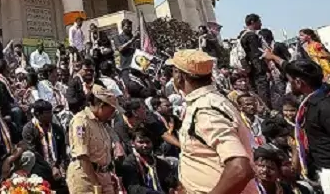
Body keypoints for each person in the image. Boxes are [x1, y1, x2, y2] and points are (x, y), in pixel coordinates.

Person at [169, 49, 258, 194]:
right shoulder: (205, 102)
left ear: (180, 76)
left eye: (173, 71)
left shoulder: (206, 110)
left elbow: (239, 168)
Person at [284, 59, 330, 192]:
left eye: (290, 81)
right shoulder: (313, 100)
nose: (289, 85)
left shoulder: (324, 106)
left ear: (299, 82)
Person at [66, 86, 118, 194]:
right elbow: (82, 156)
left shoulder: (101, 123)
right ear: (101, 105)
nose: (112, 113)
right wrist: (96, 184)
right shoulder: (81, 121)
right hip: (85, 178)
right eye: (111, 110)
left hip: (103, 176)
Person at [116, 125, 177, 194]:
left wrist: (173, 186)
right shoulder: (129, 163)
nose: (145, 145)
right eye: (141, 142)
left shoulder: (159, 163)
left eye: (147, 142)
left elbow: (169, 180)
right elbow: (133, 188)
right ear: (132, 143)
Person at [21, 100, 67, 191]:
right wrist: (51, 167)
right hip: (39, 169)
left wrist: (61, 166)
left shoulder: (56, 128)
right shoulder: (29, 129)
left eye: (51, 112)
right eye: (47, 113)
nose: (51, 115)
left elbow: (62, 149)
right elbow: (34, 152)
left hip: (57, 169)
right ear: (38, 114)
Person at [241, 14, 271, 108]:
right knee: (263, 92)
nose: (261, 24)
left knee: (256, 91)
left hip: (251, 70)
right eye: (259, 21)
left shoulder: (243, 36)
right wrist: (264, 70)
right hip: (258, 70)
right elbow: (256, 55)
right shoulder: (251, 36)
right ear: (253, 22)